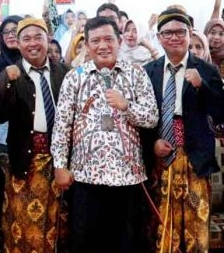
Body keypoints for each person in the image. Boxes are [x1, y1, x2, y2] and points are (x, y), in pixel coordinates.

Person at [51, 16, 159, 253]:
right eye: (96, 40)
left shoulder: (136, 74)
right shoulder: (75, 77)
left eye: (109, 39)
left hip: (128, 177)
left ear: (119, 41)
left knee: (126, 244)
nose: (102, 46)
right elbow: (61, 126)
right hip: (85, 177)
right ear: (87, 46)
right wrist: (60, 165)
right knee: (87, 244)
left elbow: (151, 118)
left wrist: (126, 106)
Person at [142, 9, 224, 252]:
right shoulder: (149, 71)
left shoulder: (207, 70)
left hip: (195, 157)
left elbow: (220, 112)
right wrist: (152, 143)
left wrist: (202, 86)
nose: (174, 37)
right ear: (159, 37)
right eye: (168, 32)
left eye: (181, 32)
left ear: (190, 34)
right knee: (162, 222)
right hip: (161, 158)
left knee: (196, 222)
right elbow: (141, 117)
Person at [0, 18, 70, 253]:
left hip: (60, 161)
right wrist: (6, 82)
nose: (33, 43)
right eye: (26, 38)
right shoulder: (9, 75)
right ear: (18, 43)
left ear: (48, 40)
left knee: (59, 223)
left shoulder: (64, 72)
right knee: (23, 226)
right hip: (24, 162)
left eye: (39, 37)